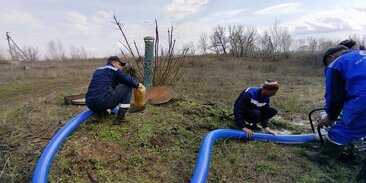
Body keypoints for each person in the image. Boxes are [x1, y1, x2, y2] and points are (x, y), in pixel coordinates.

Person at [306, 45, 366, 164]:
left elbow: (335, 96)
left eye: (326, 64)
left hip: (363, 97)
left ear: (331, 57)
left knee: (346, 128)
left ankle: (324, 158)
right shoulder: (361, 54)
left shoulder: (336, 63)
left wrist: (331, 116)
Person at [86, 56, 143, 125]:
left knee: (108, 93)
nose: (120, 67)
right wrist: (138, 84)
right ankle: (121, 118)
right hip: (102, 102)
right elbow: (128, 80)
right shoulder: (113, 70)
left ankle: (99, 114)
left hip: (89, 103)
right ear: (113, 62)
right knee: (127, 89)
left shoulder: (98, 70)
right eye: (119, 64)